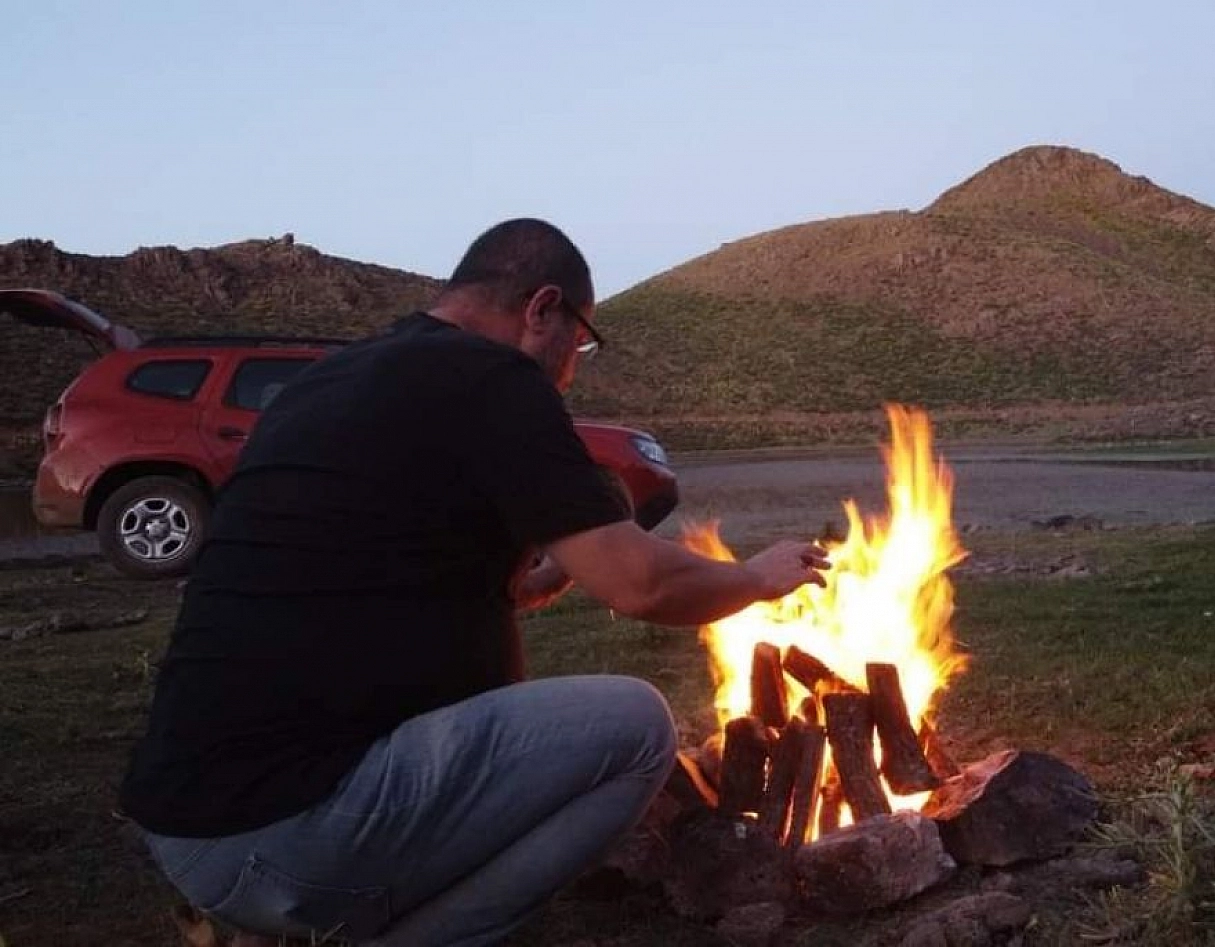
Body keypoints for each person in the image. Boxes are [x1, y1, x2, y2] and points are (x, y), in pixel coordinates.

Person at [118, 218, 830, 946]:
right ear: (542, 308)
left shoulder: (334, 378)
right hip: (289, 829)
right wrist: (754, 577)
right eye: (580, 342)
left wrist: (540, 577)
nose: (570, 370)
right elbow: (642, 586)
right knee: (637, 727)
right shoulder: (492, 378)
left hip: (194, 826)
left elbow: (370, 575)